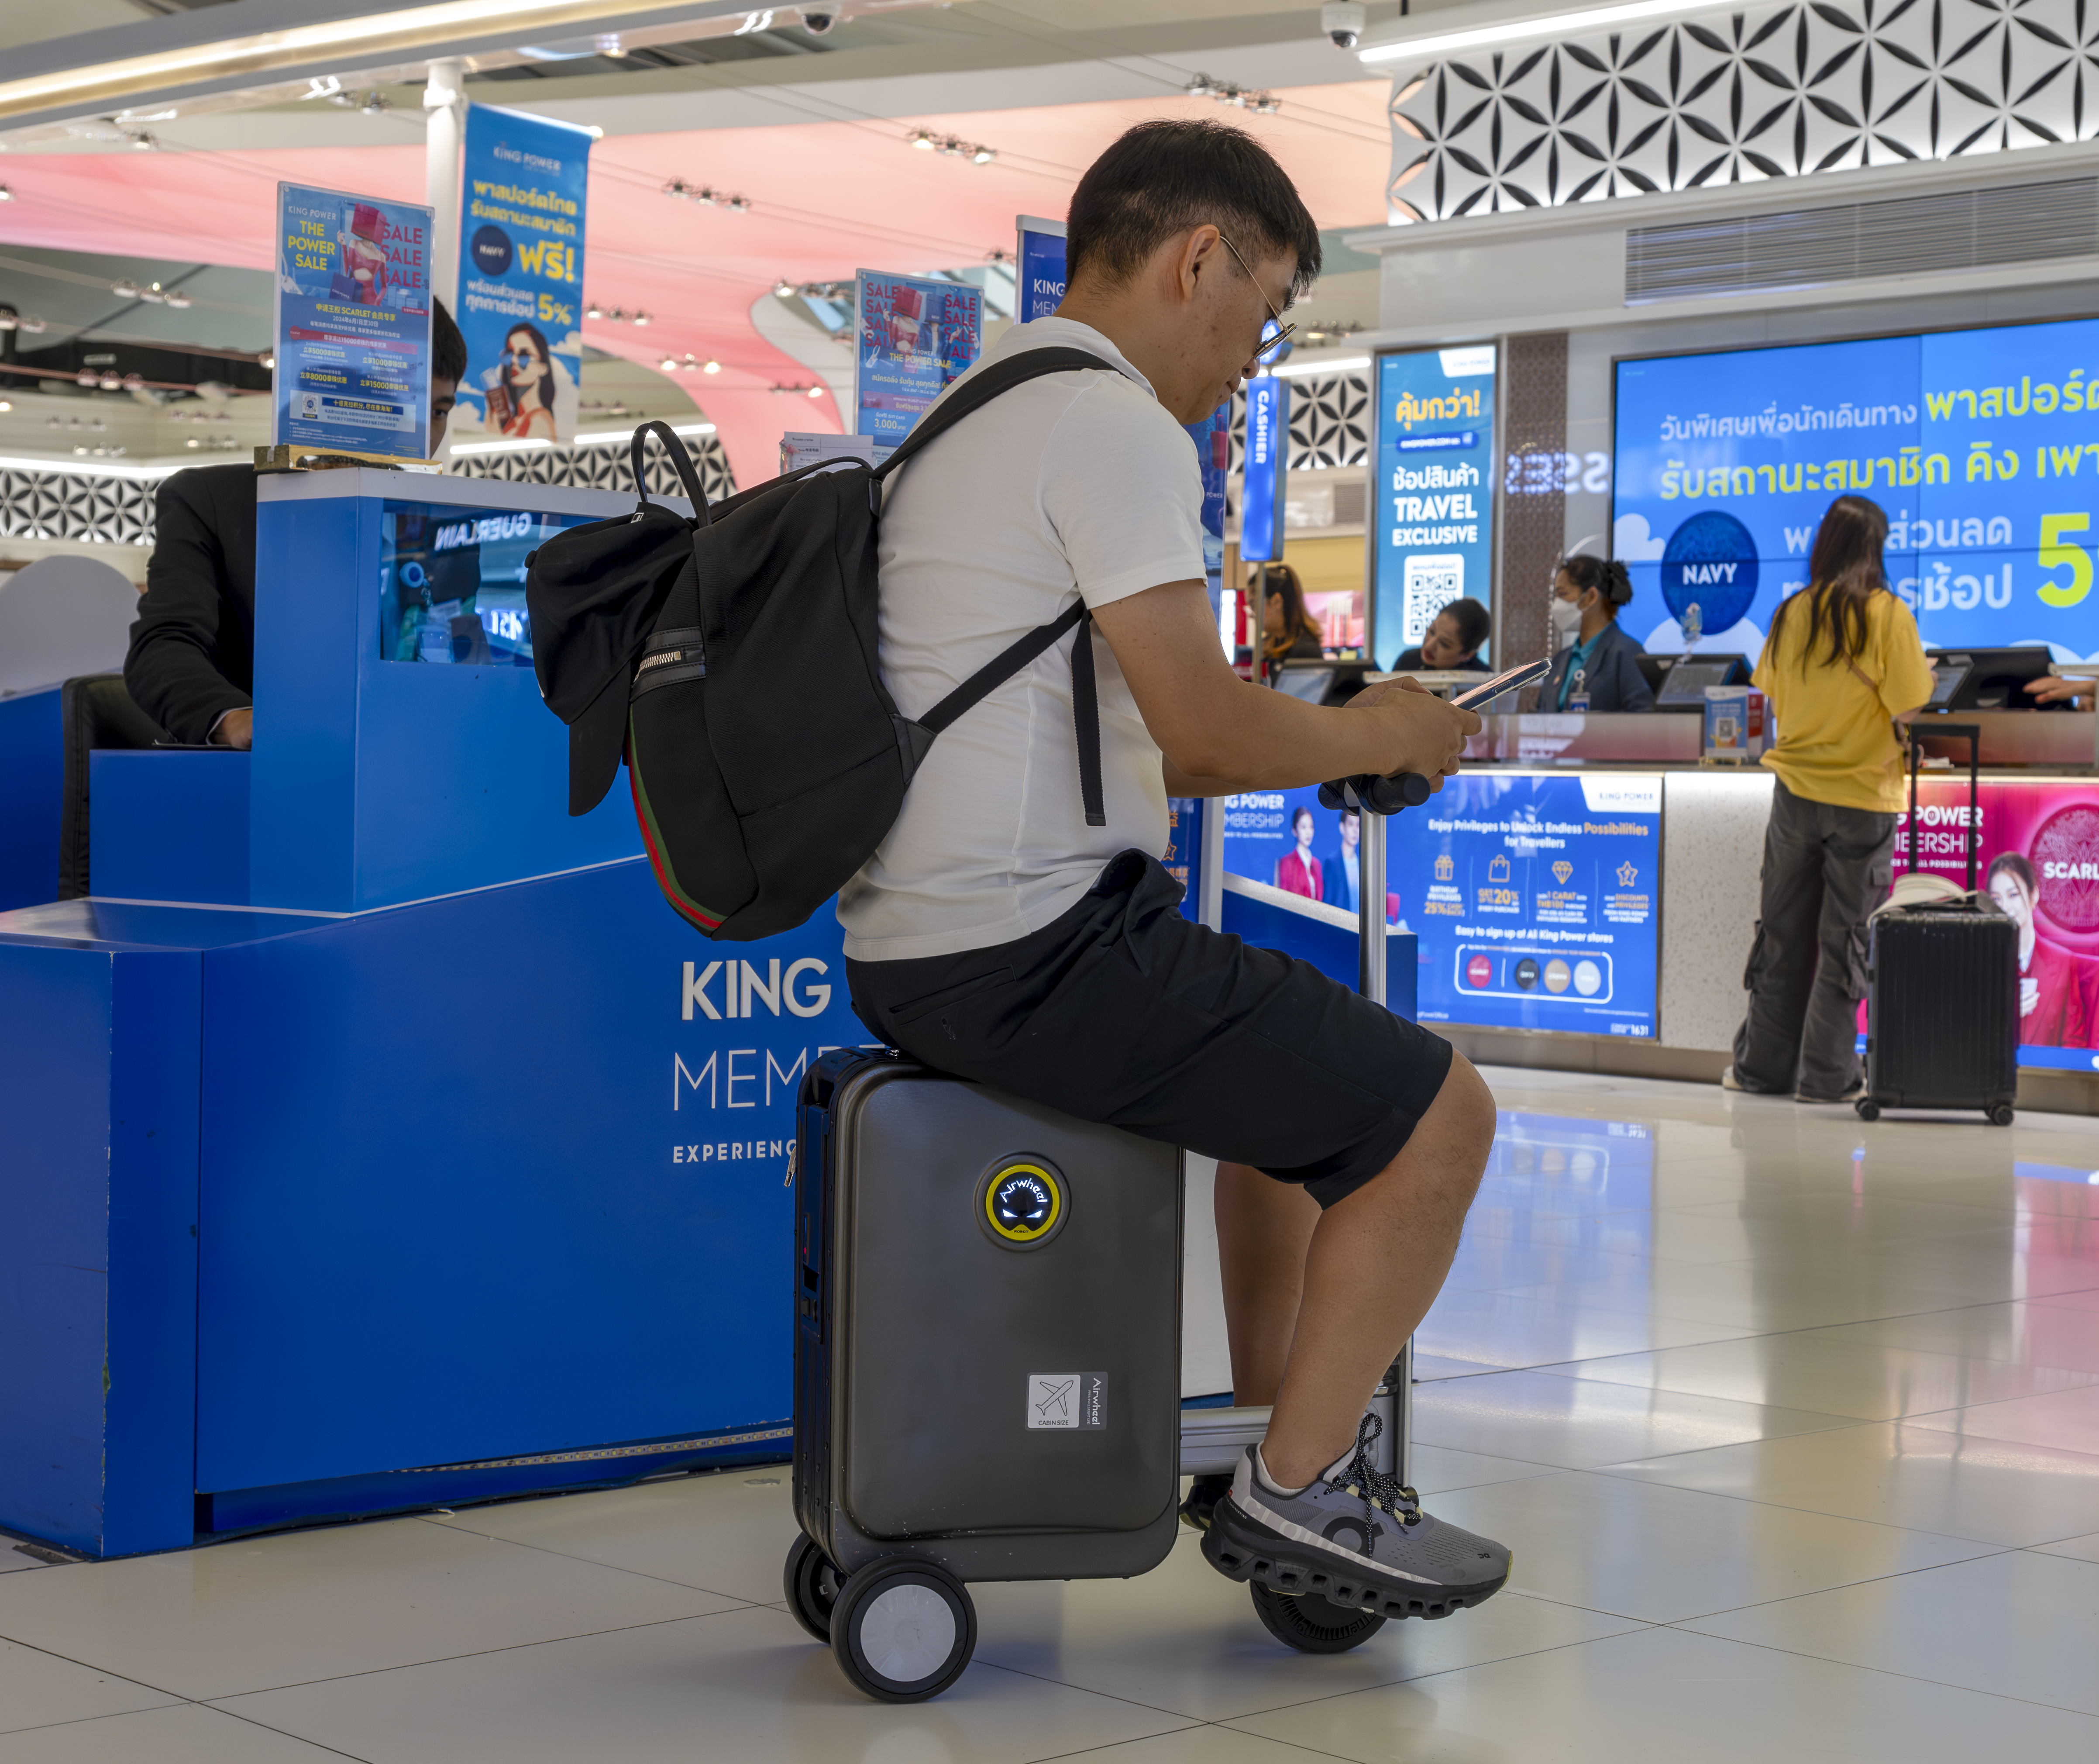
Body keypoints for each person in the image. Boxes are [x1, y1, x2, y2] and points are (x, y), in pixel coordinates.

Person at [839, 118, 1507, 1616]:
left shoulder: (970, 402)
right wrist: (1375, 732)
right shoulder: (1114, 424)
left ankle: (1282, 1462)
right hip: (1031, 946)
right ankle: (1300, 1491)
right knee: (1438, 1121)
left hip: (923, 933)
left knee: (1295, 1116)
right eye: (1262, 313)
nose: (1252, 356)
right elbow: (1197, 736)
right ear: (1195, 257)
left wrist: (1329, 732)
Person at [125, 300, 467, 748]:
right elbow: (163, 647)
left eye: (438, 412)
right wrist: (239, 721)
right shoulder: (210, 502)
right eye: (402, 406)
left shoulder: (438, 520)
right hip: (261, 783)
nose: (421, 437)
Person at [1726, 495, 1934, 1102]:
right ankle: (1827, 1076)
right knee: (1845, 940)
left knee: (1783, 935)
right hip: (1863, 797)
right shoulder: (1888, 614)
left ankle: (1762, 1071)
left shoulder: (1792, 612)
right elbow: (1909, 705)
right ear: (1876, 548)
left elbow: (1770, 693)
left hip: (1793, 792)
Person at [1986, 852, 2089, 1047]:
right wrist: (2004, 1014)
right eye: (1996, 900)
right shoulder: (1981, 963)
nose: (2005, 908)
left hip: (2045, 1076)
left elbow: (2073, 1043)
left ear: (2033, 895)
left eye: (2013, 895)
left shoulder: (2063, 963)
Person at [1539, 557, 1652, 712]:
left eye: (1562, 594)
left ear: (1591, 597)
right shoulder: (1560, 660)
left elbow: (1644, 721)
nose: (1555, 606)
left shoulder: (1627, 654)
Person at [486, 322, 558, 441]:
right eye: (509, 354)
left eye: (524, 355)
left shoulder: (540, 419)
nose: (514, 360)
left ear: (543, 368)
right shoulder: (514, 419)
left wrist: (495, 435)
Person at [1257, 561, 1323, 678]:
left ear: (1277, 601)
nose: (1252, 614)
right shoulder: (1269, 644)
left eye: (1254, 605)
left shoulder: (1306, 651)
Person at [1395, 597, 1490, 672]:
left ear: (1467, 656)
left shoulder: (1483, 685)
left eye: (1444, 644)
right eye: (1432, 631)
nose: (1429, 646)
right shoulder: (1407, 662)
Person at [1274, 803, 1321, 899]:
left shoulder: (1317, 864)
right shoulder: (1287, 863)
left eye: (1311, 827)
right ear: (1294, 830)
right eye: (1304, 827)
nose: (1308, 832)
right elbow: (1284, 899)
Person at [1322, 803, 1360, 912]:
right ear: (1342, 827)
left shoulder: (1363, 864)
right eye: (1351, 824)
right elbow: (1328, 903)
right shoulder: (1332, 862)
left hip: (1362, 925)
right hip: (1340, 925)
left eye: (1358, 825)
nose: (1355, 830)